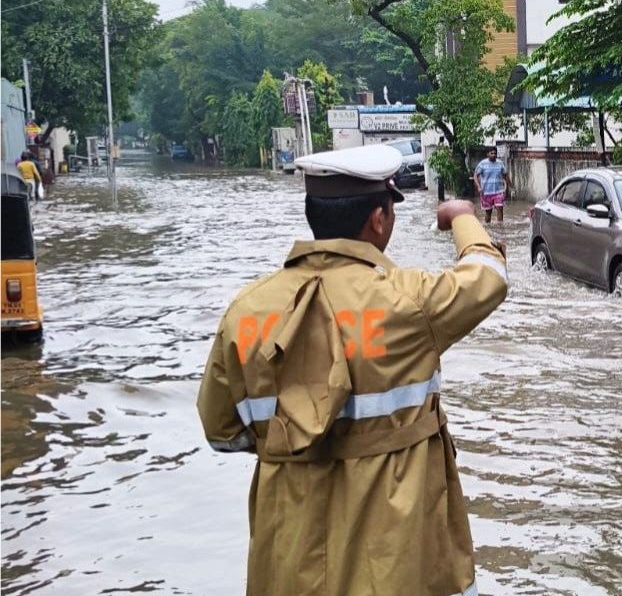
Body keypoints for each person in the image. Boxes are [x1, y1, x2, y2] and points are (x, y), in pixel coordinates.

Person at [197, 143, 508, 596]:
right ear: (378, 220)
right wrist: (462, 215)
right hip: (396, 561)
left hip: (288, 560)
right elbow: (488, 275)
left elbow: (221, 431)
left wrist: (294, 437)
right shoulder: (409, 303)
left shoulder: (246, 312)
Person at [473, 146, 509, 224]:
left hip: (499, 191)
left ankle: (500, 228)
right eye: (491, 153)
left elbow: (505, 175)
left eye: (495, 153)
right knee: (488, 212)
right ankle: (488, 228)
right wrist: (478, 187)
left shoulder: (500, 163)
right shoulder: (482, 164)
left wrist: (510, 187)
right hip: (486, 192)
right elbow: (475, 176)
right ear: (487, 154)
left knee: (500, 209)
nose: (493, 155)